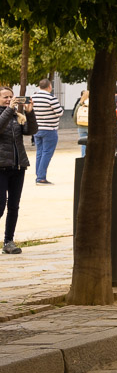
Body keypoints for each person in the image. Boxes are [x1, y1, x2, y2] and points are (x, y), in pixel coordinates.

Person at [0, 89, 37, 255]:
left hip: (18, 166)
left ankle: (9, 241)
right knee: (0, 206)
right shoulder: (8, 114)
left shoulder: (16, 117)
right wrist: (10, 109)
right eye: (5, 97)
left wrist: (30, 113)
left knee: (14, 206)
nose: (9, 100)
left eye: (11, 97)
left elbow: (31, 131)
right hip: (1, 167)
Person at [27, 78, 61, 186]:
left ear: (39, 87)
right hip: (49, 129)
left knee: (40, 153)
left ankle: (39, 175)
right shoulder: (51, 98)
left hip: (37, 128)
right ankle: (41, 178)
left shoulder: (33, 97)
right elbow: (59, 112)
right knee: (47, 153)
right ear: (50, 86)